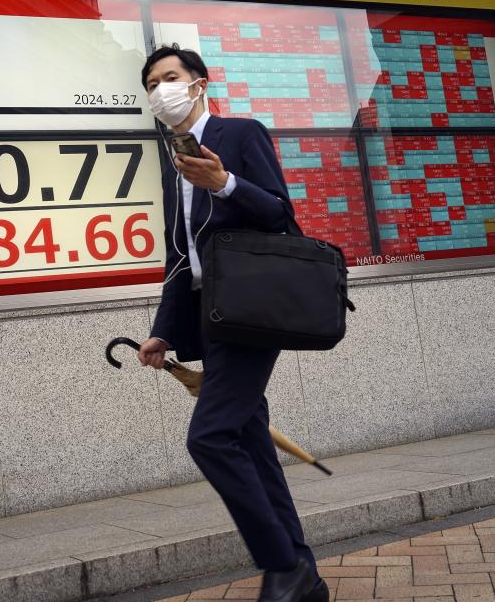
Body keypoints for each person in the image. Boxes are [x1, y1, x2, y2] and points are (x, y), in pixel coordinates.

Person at [137, 45, 328, 602]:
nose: (160, 90)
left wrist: (224, 184)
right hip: (210, 316)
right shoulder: (174, 159)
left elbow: (278, 212)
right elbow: (181, 256)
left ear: (198, 83)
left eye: (170, 78)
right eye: (151, 84)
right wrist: (163, 330)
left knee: (210, 437)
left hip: (250, 312)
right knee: (249, 442)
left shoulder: (241, 133)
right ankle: (301, 572)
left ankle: (282, 565)